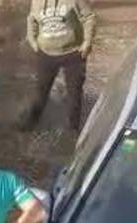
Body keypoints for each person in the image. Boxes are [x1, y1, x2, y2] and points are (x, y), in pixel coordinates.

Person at [20, 0, 97, 133]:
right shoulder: (37, 2)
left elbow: (89, 17)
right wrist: (33, 41)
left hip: (73, 53)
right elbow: (32, 19)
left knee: (74, 95)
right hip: (46, 54)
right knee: (40, 94)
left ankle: (72, 132)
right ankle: (29, 126)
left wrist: (87, 43)